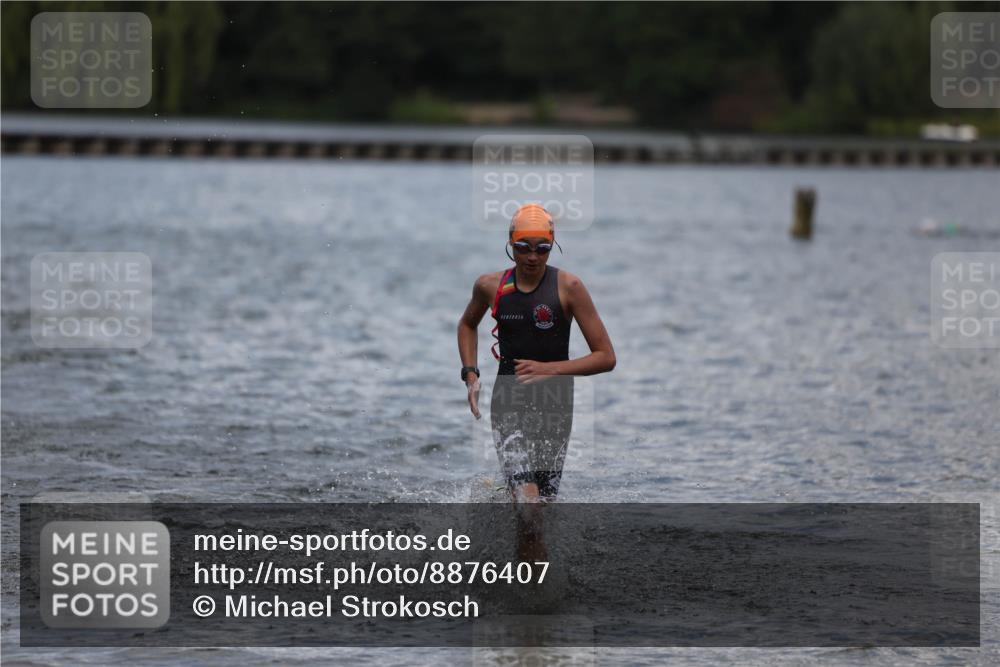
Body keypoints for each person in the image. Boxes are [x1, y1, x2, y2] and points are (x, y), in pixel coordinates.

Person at [457, 204, 615, 557]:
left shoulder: (569, 288)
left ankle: (531, 593)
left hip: (556, 408)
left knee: (536, 514)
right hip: (509, 401)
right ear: (510, 244)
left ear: (553, 245)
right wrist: (470, 373)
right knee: (528, 507)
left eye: (541, 248)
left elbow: (606, 357)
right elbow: (467, 324)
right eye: (522, 247)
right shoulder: (490, 286)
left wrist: (550, 368)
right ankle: (525, 606)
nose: (531, 257)